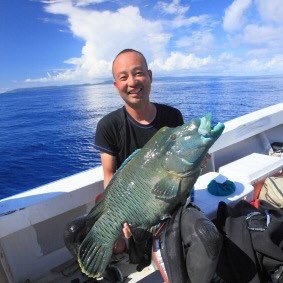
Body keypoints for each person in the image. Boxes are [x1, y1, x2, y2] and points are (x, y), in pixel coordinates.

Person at [64, 49, 222, 283]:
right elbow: (110, 175)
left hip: (174, 206)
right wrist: (116, 225)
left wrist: (198, 163)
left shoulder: (171, 116)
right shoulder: (108, 125)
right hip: (130, 205)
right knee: (73, 233)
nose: (132, 82)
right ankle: (110, 271)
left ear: (149, 76)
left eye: (138, 73)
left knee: (206, 236)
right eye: (124, 77)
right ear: (116, 85)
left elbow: (179, 179)